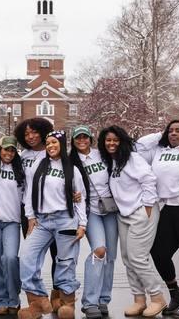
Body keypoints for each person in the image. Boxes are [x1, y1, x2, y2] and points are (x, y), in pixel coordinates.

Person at [97, 125, 166, 317]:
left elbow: (149, 179)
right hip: (123, 214)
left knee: (138, 257)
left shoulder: (132, 158)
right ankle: (139, 299)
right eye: (108, 140)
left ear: (122, 141)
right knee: (128, 259)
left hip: (141, 212)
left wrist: (148, 206)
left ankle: (158, 297)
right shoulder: (113, 162)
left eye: (115, 140)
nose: (111, 143)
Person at [18, 130, 87, 319]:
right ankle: (38, 302)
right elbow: (29, 194)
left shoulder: (72, 169)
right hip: (42, 221)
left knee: (65, 262)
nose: (50, 146)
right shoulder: (38, 167)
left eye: (54, 142)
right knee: (26, 258)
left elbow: (80, 197)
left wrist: (82, 224)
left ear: (62, 145)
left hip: (66, 219)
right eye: (47, 143)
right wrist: (30, 217)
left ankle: (67, 303)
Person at [137, 119, 179, 317]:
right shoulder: (159, 150)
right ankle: (175, 294)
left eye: (178, 131)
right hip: (167, 207)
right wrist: (160, 133)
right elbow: (139, 146)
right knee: (158, 252)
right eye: (170, 131)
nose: (173, 134)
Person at [69, 125, 118, 319]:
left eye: (85, 137)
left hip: (110, 209)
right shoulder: (71, 161)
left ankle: (103, 299)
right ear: (73, 141)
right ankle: (89, 302)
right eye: (78, 138)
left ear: (91, 139)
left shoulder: (102, 155)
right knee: (99, 250)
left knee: (111, 256)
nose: (82, 140)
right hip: (91, 211)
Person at [0, 136, 25, 316]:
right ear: (0, 149)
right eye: (5, 149)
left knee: (9, 258)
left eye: (12, 150)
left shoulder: (21, 170)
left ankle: (13, 298)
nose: (8, 153)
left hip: (12, 222)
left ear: (15, 152)